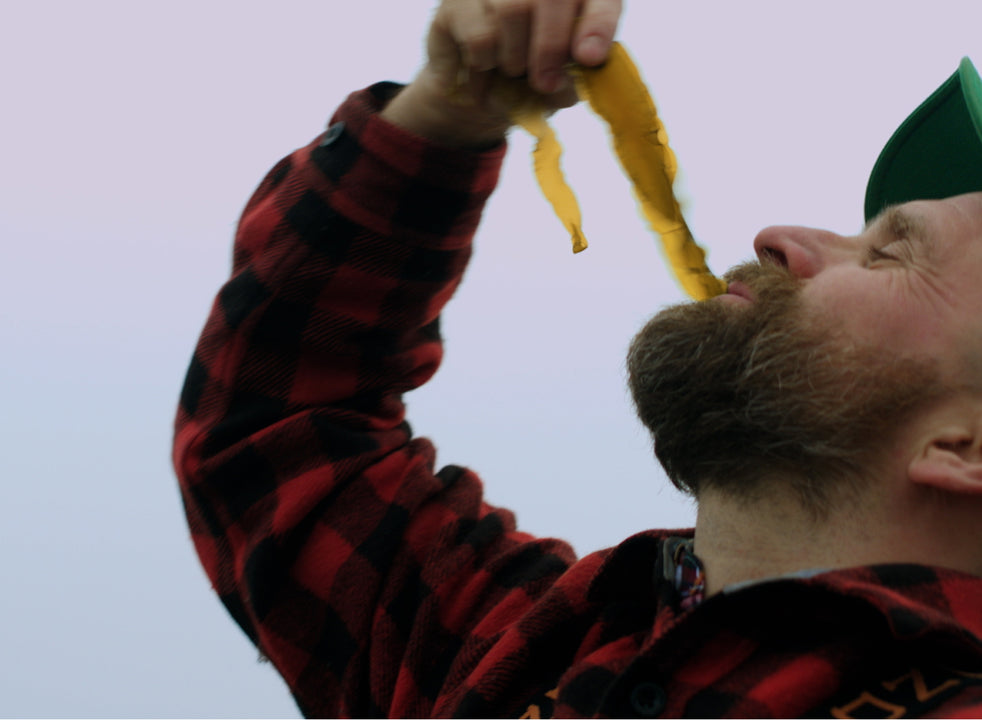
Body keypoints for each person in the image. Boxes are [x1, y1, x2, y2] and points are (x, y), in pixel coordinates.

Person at [173, 1, 982, 716]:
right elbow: (278, 430)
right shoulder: (512, 652)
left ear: (966, 445)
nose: (780, 238)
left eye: (887, 256)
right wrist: (447, 118)